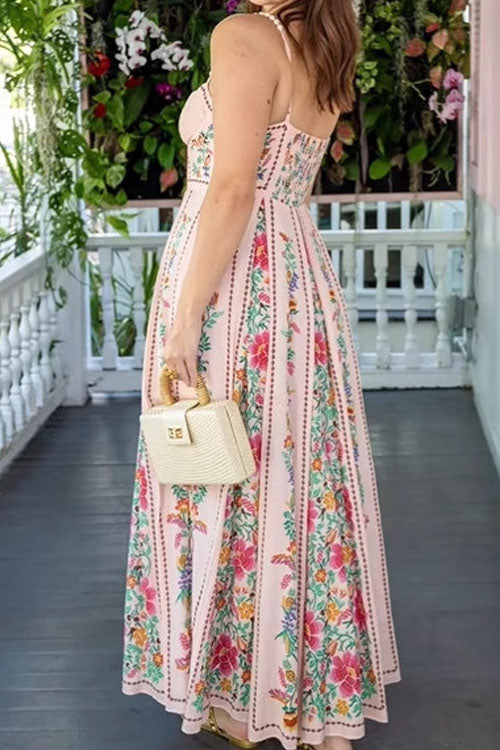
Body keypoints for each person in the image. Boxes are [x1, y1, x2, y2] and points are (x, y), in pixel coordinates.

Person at [121, 2, 401, 749]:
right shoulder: (325, 41)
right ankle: (288, 693)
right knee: (294, 483)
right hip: (297, 283)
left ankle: (242, 700)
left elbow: (232, 188)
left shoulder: (246, 35)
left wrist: (186, 317)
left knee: (220, 476)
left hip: (236, 289)